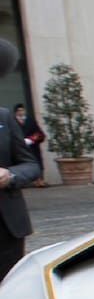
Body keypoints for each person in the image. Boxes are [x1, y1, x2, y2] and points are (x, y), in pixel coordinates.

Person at [0, 99, 40, 281]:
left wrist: (11, 175)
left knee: (10, 289)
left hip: (6, 227)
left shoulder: (4, 117)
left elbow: (31, 165)